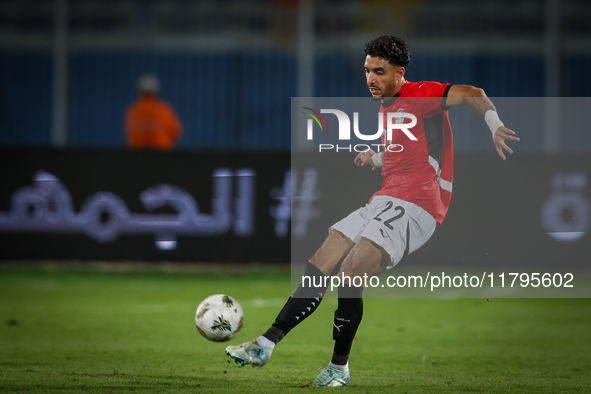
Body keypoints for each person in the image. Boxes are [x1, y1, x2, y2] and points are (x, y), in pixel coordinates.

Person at [225, 35, 520, 387]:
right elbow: (406, 151)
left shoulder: (420, 95)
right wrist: (375, 156)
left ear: (400, 72)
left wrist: (494, 125)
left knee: (351, 272)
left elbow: (473, 92)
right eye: (367, 70)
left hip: (419, 202)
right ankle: (265, 344)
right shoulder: (387, 108)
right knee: (323, 258)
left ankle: (338, 368)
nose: (371, 79)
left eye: (379, 71)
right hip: (385, 197)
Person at [125, 74, 182, 150]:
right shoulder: (163, 109)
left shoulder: (133, 111)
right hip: (161, 155)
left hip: (137, 157)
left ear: (140, 92)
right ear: (156, 91)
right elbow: (176, 133)